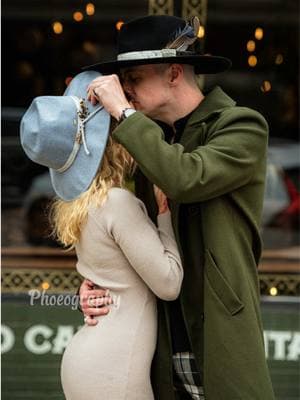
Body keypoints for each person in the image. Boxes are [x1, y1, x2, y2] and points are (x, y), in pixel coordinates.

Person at [79, 15, 275, 400]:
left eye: (133, 79)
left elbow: (187, 177)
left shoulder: (242, 126)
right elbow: (133, 237)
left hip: (222, 339)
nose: (126, 91)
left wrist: (124, 112)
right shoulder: (151, 142)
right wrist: (97, 285)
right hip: (160, 345)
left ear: (172, 73)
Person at [20, 70, 183, 400]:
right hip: (113, 370)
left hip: (91, 361)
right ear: (114, 140)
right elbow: (169, 283)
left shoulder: (83, 203)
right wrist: (164, 214)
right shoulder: (117, 202)